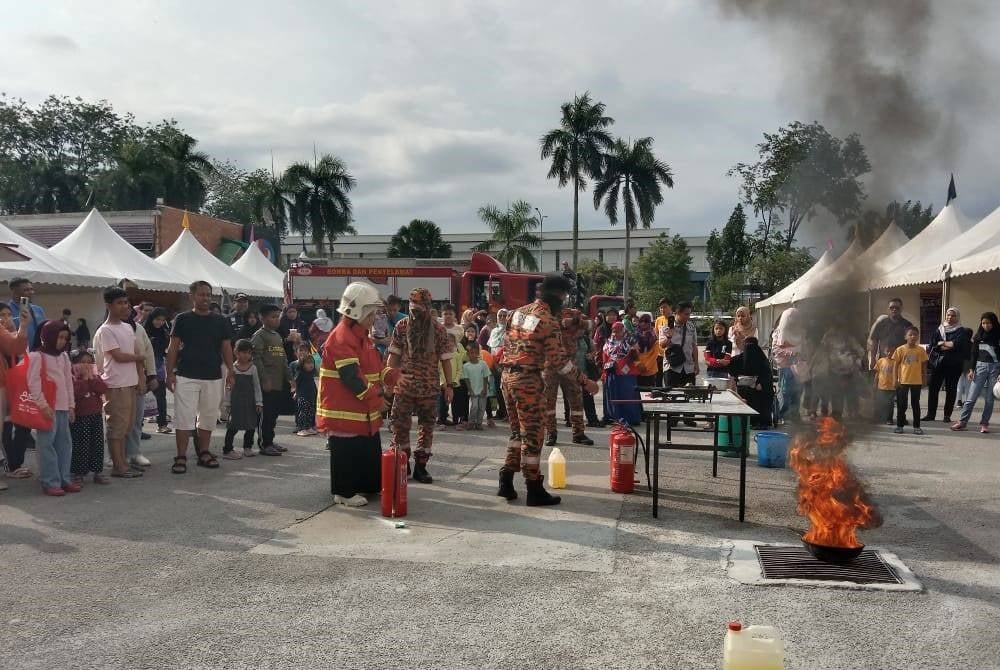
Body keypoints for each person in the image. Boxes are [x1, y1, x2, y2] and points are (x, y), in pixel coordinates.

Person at [498, 273, 598, 505]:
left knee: (516, 433)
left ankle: (506, 480)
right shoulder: (548, 320)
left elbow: (508, 344)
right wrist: (586, 381)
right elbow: (560, 363)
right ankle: (534, 489)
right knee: (533, 436)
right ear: (559, 295)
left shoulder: (516, 313)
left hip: (507, 378)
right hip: (527, 382)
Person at [319, 282, 397, 506]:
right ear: (356, 312)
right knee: (346, 451)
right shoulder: (341, 337)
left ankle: (367, 486)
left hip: (362, 410)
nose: (374, 318)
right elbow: (352, 378)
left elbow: (376, 369)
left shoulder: (363, 338)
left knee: (367, 449)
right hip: (345, 410)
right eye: (370, 314)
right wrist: (377, 400)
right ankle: (343, 493)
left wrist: (395, 376)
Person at [387, 288, 455, 484]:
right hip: (404, 385)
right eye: (412, 307)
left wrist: (449, 386)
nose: (415, 311)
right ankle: (403, 463)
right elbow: (393, 356)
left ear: (428, 306)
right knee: (399, 425)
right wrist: (388, 380)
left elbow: (446, 360)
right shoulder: (401, 326)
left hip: (429, 387)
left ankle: (421, 467)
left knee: (426, 427)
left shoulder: (438, 330)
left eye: (419, 307)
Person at [166, 281, 234, 474]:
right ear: (192, 296)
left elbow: (226, 347)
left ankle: (204, 452)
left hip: (213, 376)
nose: (205, 298)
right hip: (186, 375)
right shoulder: (182, 319)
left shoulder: (220, 321)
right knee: (184, 418)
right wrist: (169, 372)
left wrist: (231, 370)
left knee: (208, 417)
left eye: (208, 295)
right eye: (201, 294)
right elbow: (173, 347)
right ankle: (181, 456)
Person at [93, 287, 144, 480]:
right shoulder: (105, 330)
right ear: (109, 306)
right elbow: (118, 356)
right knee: (117, 426)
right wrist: (140, 357)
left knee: (127, 425)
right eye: (120, 303)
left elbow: (134, 353)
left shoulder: (127, 327)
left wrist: (140, 377)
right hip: (115, 384)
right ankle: (118, 465)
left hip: (129, 383)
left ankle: (123, 462)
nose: (125, 306)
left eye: (126, 303)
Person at [27, 320, 75, 496]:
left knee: (64, 445)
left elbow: (68, 382)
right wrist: (43, 405)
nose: (62, 341)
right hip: (47, 408)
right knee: (46, 445)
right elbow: (33, 383)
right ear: (48, 336)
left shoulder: (63, 357)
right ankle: (50, 481)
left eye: (65, 338)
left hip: (62, 408)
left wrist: (71, 405)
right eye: (59, 337)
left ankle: (64, 479)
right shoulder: (36, 356)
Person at [543, 307, 594, 446]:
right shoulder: (546, 314)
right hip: (550, 364)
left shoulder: (571, 313)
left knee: (576, 399)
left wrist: (574, 321)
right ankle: (551, 433)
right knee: (549, 401)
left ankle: (578, 433)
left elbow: (591, 324)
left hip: (570, 363)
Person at [252, 304, 293, 456]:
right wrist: (264, 379)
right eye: (273, 317)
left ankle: (270, 440)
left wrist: (290, 378)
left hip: (278, 383)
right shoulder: (259, 335)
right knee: (266, 415)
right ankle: (264, 443)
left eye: (278, 317)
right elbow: (256, 359)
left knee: (274, 414)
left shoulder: (277, 336)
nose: (276, 320)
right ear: (262, 318)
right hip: (266, 384)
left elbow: (283, 359)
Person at [868, 297, 915, 424]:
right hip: (883, 363)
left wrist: (910, 363)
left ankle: (901, 417)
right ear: (888, 309)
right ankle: (879, 416)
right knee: (881, 391)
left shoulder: (907, 325)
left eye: (897, 307)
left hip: (901, 364)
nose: (894, 309)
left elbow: (911, 344)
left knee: (901, 393)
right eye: (891, 307)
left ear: (901, 309)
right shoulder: (881, 323)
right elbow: (874, 342)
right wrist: (872, 359)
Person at [952, 312, 1000, 433]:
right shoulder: (978, 337)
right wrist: (971, 370)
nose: (986, 325)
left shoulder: (998, 337)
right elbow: (974, 355)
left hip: (995, 369)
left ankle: (984, 424)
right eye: (983, 323)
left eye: (988, 323)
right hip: (979, 368)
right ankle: (962, 422)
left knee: (989, 400)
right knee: (971, 397)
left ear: (994, 323)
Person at [924, 307, 972, 423]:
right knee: (933, 389)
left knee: (951, 390)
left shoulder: (961, 331)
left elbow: (959, 345)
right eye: (948, 315)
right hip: (938, 364)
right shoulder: (939, 329)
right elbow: (933, 345)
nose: (950, 317)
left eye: (953, 315)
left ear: (957, 317)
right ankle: (931, 414)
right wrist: (949, 345)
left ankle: (947, 415)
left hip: (954, 365)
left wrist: (943, 344)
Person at [0, 302, 30, 484]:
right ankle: (11, 466)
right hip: (5, 385)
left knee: (15, 426)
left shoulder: (8, 333)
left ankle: (14, 464)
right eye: (2, 315)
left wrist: (22, 328)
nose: (6, 318)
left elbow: (17, 349)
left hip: (12, 386)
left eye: (8, 314)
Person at [70, 350, 109, 485]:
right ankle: (79, 473)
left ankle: (97, 472)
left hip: (95, 414)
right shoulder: (73, 378)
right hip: (81, 416)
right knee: (81, 445)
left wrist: (91, 379)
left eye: (89, 362)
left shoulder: (95, 376)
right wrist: (84, 380)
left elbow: (102, 389)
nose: (86, 365)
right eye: (82, 362)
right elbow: (76, 394)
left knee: (97, 444)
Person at [222, 339, 262, 460]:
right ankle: (227, 449)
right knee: (233, 426)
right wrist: (227, 403)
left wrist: (259, 402)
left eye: (249, 353)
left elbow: (257, 386)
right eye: (243, 352)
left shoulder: (253, 368)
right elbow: (228, 387)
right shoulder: (232, 369)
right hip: (236, 403)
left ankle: (247, 447)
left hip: (250, 403)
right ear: (236, 352)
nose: (246, 355)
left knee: (250, 426)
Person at [666, 302, 700, 427]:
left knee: (690, 393)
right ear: (677, 313)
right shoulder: (667, 326)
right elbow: (662, 345)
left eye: (689, 314)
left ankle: (688, 418)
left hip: (688, 365)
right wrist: (669, 336)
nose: (688, 316)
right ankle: (673, 419)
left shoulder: (691, 326)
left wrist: (696, 364)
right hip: (672, 365)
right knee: (673, 394)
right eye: (686, 314)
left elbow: (694, 346)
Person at [728, 336, 774, 429]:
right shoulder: (739, 359)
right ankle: (749, 420)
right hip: (744, 387)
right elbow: (732, 368)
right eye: (747, 346)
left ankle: (762, 422)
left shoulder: (762, 360)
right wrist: (737, 377)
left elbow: (767, 375)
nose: (750, 348)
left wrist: (761, 383)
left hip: (759, 388)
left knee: (763, 395)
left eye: (752, 346)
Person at [602, 320, 641, 426]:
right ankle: (615, 417)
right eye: (614, 331)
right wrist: (604, 372)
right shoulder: (608, 342)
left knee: (627, 396)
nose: (616, 333)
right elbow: (605, 357)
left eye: (618, 331)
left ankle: (631, 418)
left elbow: (637, 357)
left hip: (627, 374)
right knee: (614, 396)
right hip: (613, 373)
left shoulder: (630, 340)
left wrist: (633, 353)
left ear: (623, 330)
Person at [772, 305, 806, 424]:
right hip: (784, 366)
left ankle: (795, 415)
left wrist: (802, 354)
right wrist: (791, 353)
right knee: (785, 391)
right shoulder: (778, 332)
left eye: (797, 317)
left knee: (798, 391)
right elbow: (775, 349)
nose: (795, 320)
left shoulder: (802, 332)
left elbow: (805, 347)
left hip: (799, 366)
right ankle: (783, 415)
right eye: (792, 317)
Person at [892, 326, 928, 435]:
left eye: (915, 334)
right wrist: (895, 379)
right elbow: (895, 366)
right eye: (910, 334)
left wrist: (924, 379)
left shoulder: (921, 350)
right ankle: (900, 426)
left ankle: (917, 427)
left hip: (916, 382)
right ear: (905, 337)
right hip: (903, 381)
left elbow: (924, 366)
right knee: (901, 404)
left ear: (918, 337)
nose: (913, 336)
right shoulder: (900, 349)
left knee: (915, 404)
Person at [144, 308, 172, 434]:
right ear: (152, 318)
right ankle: (138, 427)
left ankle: (162, 424)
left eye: (162, 320)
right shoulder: (144, 331)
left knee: (161, 397)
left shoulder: (164, 332)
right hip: (144, 368)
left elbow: (165, 350)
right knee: (141, 398)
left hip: (159, 368)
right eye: (157, 319)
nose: (159, 322)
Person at [463, 343, 491, 430]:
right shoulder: (466, 366)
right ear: (467, 354)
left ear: (478, 353)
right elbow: (466, 379)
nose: (474, 355)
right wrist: (470, 390)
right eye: (471, 353)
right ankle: (471, 422)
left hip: (483, 390)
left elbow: (485, 377)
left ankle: (479, 423)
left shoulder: (483, 364)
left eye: (476, 353)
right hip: (473, 390)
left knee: (482, 408)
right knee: (474, 406)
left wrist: (485, 389)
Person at [292, 350, 318, 436]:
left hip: (311, 396)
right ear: (302, 364)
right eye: (308, 363)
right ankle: (301, 429)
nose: (311, 365)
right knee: (303, 413)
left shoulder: (311, 374)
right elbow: (295, 383)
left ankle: (308, 427)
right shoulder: (300, 373)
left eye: (312, 363)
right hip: (303, 396)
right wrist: (295, 392)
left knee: (310, 412)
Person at [634, 314, 660, 388]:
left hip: (650, 372)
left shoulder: (654, 337)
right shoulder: (634, 336)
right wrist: (638, 365)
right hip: (637, 371)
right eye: (641, 321)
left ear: (649, 323)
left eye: (646, 321)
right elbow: (632, 353)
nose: (643, 323)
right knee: (637, 393)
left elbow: (654, 355)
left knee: (648, 393)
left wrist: (645, 368)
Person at [873, 345, 897, 425]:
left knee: (890, 404)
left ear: (894, 352)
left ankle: (889, 419)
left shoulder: (896, 362)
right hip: (881, 386)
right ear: (884, 352)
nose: (889, 353)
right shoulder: (880, 361)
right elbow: (877, 373)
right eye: (887, 351)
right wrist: (875, 383)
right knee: (880, 403)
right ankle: (879, 418)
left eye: (892, 351)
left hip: (891, 387)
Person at [654, 298, 673, 386]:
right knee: (658, 379)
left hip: (670, 353)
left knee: (668, 379)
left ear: (670, 307)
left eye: (665, 307)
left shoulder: (674, 319)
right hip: (660, 354)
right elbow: (657, 335)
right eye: (661, 308)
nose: (662, 309)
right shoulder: (658, 320)